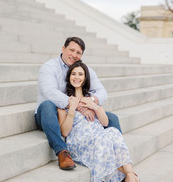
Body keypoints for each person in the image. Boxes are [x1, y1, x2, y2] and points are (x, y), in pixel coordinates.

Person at [58, 61, 146, 182]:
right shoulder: (64, 100)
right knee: (105, 138)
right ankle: (132, 176)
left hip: (98, 136)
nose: (77, 77)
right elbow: (64, 131)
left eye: (80, 74)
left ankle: (129, 176)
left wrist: (93, 107)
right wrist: (73, 109)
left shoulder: (92, 98)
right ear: (69, 77)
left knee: (112, 131)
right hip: (80, 142)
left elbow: (105, 122)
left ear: (85, 77)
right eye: (73, 74)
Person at [35, 36, 122, 170]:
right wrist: (77, 106)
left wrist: (90, 102)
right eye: (71, 50)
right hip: (50, 114)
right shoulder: (49, 67)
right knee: (47, 105)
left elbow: (102, 92)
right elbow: (50, 92)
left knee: (112, 118)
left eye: (78, 52)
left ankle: (119, 158)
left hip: (74, 112)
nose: (74, 55)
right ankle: (62, 152)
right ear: (63, 49)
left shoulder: (84, 70)